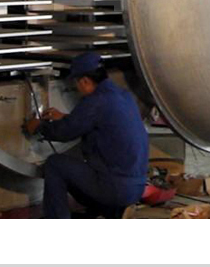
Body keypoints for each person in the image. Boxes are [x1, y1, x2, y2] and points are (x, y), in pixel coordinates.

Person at [24, 52, 149, 219]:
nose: (77, 89)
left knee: (55, 164)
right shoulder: (123, 95)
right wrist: (66, 118)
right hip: (136, 189)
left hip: (115, 188)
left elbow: (64, 132)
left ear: (84, 81)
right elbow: (99, 122)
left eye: (76, 83)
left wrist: (38, 127)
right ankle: (106, 213)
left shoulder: (96, 101)